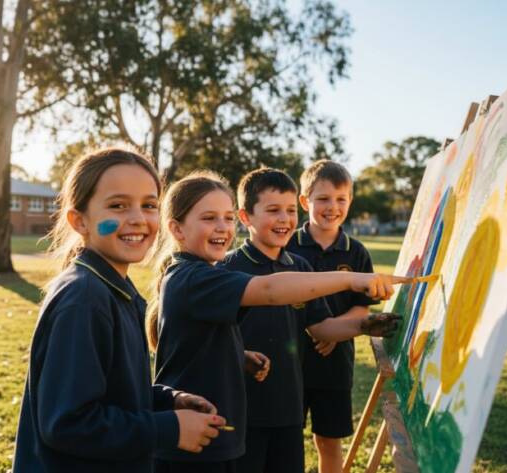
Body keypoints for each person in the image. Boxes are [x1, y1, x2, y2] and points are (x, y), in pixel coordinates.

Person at [147, 171, 399, 473]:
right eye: (209, 218)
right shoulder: (204, 274)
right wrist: (349, 279)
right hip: (212, 426)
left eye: (227, 218)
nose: (222, 227)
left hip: (257, 414)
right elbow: (269, 289)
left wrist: (363, 325)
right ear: (176, 228)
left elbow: (318, 325)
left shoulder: (203, 272)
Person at [12, 147, 225, 473]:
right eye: (118, 206)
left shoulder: (113, 289)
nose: (138, 218)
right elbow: (67, 423)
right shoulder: (84, 298)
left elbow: (110, 392)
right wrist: (169, 429)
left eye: (149, 205)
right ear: (79, 220)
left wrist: (167, 400)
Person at [286, 160, 381, 473]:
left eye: (341, 199)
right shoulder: (287, 246)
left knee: (329, 440)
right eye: (323, 199)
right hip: (291, 359)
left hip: (335, 362)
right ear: (305, 202)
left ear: (350, 201)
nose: (332, 207)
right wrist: (318, 331)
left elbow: (361, 307)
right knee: (286, 438)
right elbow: (276, 297)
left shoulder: (357, 252)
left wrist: (335, 332)